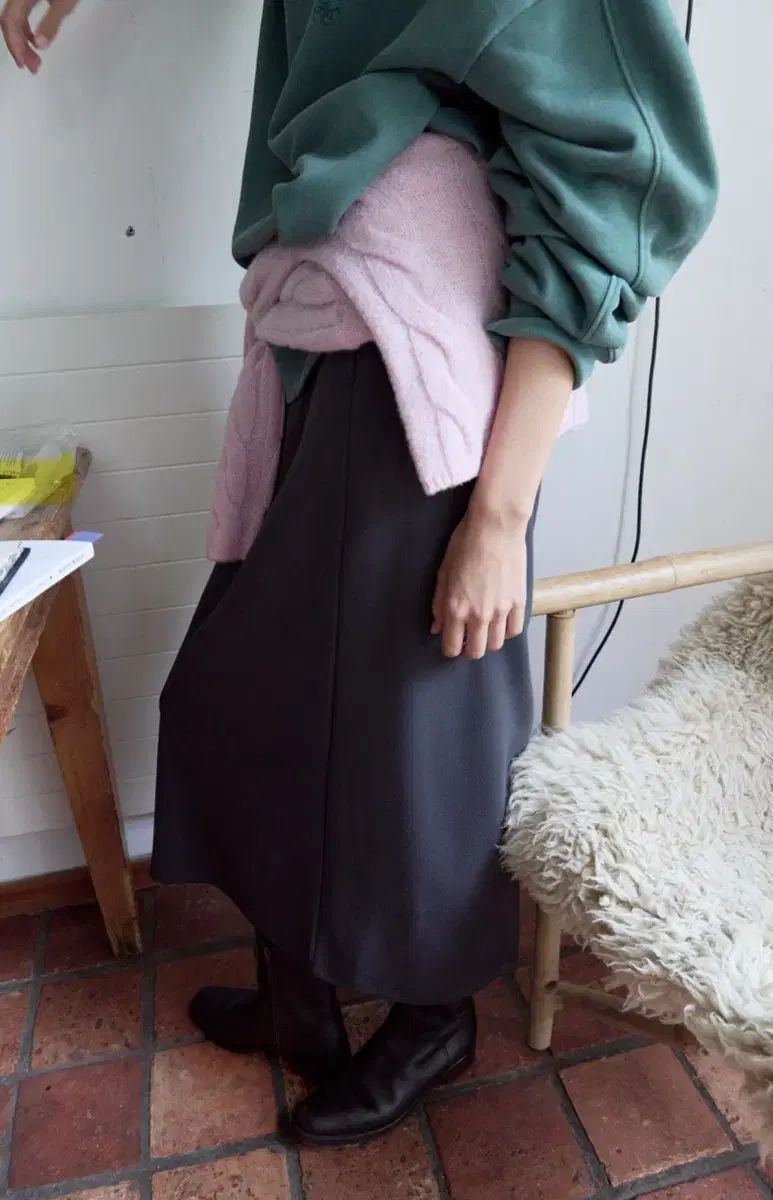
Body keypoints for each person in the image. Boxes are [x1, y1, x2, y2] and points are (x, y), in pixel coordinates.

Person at [4, 0, 718, 1148]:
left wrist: (498, 516)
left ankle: (434, 1017)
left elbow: (624, 176)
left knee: (414, 735)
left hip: (419, 381)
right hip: (326, 343)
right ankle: (301, 996)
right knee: (250, 702)